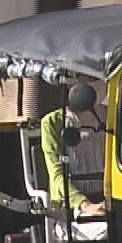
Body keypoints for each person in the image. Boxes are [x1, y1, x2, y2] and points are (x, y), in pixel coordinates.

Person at [40, 81, 106, 217]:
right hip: (73, 208)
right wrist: (85, 204)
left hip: (111, 201)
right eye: (90, 77)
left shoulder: (113, 116)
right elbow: (57, 176)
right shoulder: (52, 123)